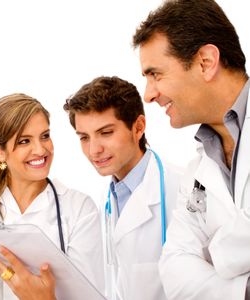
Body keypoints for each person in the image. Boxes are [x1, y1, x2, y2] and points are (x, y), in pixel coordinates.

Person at [132, 0, 250, 299]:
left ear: (206, 62)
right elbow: (175, 269)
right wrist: (244, 289)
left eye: (155, 74)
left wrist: (214, 250)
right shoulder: (196, 171)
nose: (148, 95)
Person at [0, 93, 104, 299]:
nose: (40, 149)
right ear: (0, 151)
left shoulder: (78, 208)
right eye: (24, 141)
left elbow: (90, 295)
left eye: (45, 136)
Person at [63, 75, 181, 300]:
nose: (93, 150)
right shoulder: (107, 199)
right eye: (84, 137)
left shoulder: (183, 190)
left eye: (106, 133)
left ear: (138, 127)